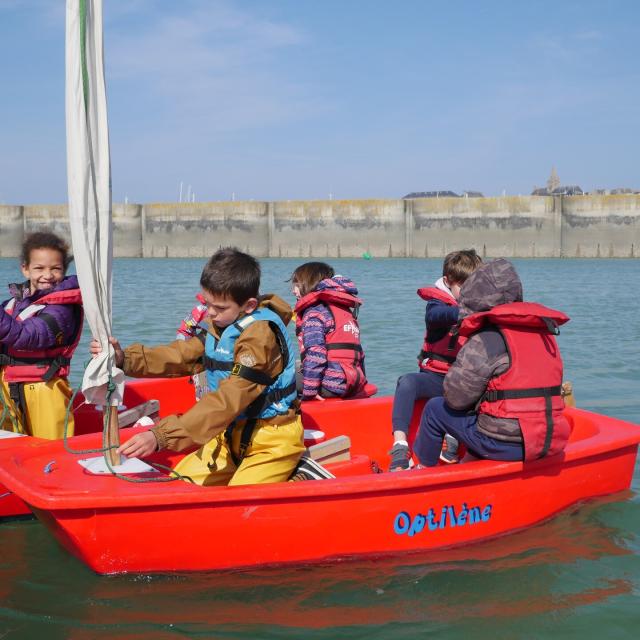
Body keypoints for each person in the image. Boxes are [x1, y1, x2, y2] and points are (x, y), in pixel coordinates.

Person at [91, 247, 307, 486]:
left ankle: (297, 476)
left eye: (220, 308)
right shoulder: (223, 326)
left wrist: (161, 436)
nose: (211, 313)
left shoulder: (260, 339)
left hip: (272, 440)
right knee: (180, 484)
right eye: (207, 304)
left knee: (239, 500)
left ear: (248, 305)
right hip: (229, 437)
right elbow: (180, 355)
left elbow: (229, 399)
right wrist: (124, 360)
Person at [413, 258, 571, 467]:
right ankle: (468, 463)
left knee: (435, 408)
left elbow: (455, 399)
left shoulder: (485, 339)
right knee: (488, 408)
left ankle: (425, 473)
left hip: (504, 444)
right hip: (548, 439)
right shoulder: (546, 336)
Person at [389, 250, 481, 471]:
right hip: (434, 379)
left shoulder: (481, 308)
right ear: (448, 282)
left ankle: (458, 444)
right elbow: (435, 317)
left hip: (462, 384)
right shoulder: (436, 305)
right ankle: (400, 445)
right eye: (462, 287)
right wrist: (464, 312)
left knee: (484, 389)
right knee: (406, 382)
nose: (468, 293)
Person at [0, 231, 83, 438]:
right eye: (39, 268)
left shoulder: (63, 310)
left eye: (55, 269)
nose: (47, 275)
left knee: (51, 455)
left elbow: (28, 335)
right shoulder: (12, 304)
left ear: (64, 270)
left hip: (45, 388)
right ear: (25, 269)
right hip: (8, 387)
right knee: (11, 450)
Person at [290, 262, 368, 401]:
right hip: (353, 382)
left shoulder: (314, 312)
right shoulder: (344, 310)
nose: (293, 291)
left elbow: (316, 354)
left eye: (296, 284)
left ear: (309, 282)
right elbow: (359, 354)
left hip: (330, 385)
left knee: (281, 373)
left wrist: (310, 393)